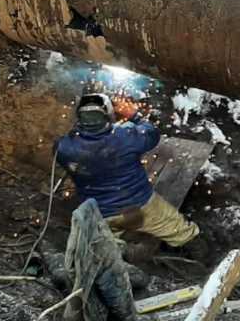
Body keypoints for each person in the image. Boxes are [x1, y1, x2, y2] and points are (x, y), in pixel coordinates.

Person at [55, 93, 206, 262]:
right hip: (141, 206)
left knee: (100, 245)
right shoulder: (126, 136)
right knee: (183, 232)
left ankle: (119, 250)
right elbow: (152, 134)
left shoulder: (64, 148)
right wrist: (134, 115)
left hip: (100, 214)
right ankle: (206, 262)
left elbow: (72, 142)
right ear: (109, 114)